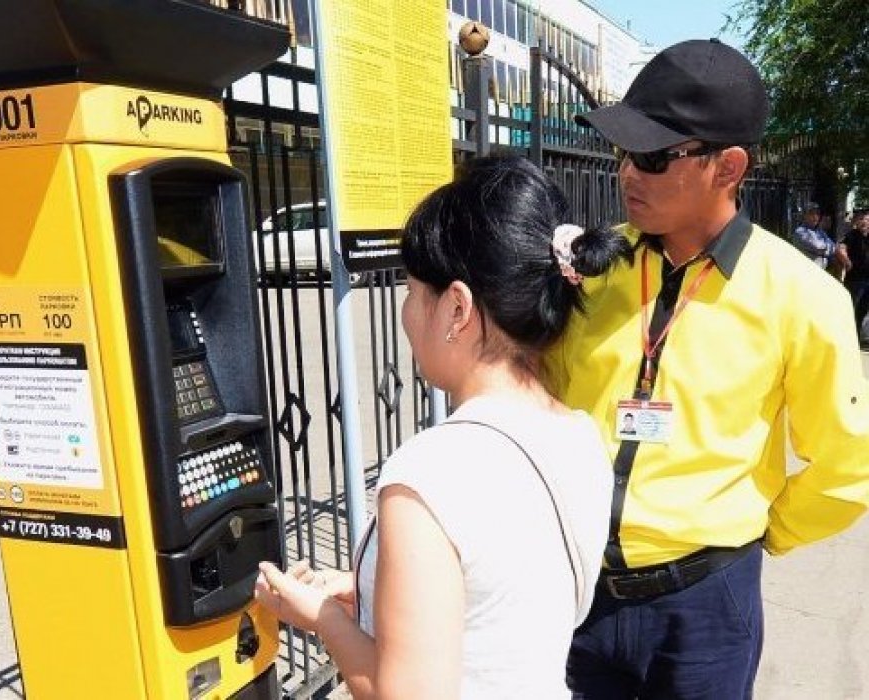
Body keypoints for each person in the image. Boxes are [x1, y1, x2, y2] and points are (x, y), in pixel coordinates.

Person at [554, 38, 869, 698]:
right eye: (621, 152)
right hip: (578, 590)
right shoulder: (593, 269)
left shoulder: (802, 298)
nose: (626, 174)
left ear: (728, 167)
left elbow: (847, 466)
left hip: (704, 607)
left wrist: (758, 536)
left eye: (651, 155)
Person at [253, 156, 630, 698]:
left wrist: (321, 619)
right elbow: (503, 606)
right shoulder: (578, 434)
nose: (406, 312)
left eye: (410, 291)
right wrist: (367, 590)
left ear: (456, 307)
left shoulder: (429, 474)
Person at [839, 209, 869, 347]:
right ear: (856, 221)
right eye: (861, 219)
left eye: (867, 219)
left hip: (867, 280)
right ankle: (847, 339)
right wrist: (847, 261)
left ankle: (856, 338)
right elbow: (841, 249)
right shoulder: (851, 235)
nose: (864, 221)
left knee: (863, 310)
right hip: (855, 280)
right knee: (852, 310)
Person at [793, 202, 840, 269]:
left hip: (820, 272)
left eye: (817, 213)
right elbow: (818, 247)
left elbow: (832, 245)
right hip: (807, 273)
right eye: (811, 213)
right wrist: (832, 249)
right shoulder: (800, 232)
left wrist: (832, 248)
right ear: (804, 215)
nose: (815, 216)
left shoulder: (819, 231)